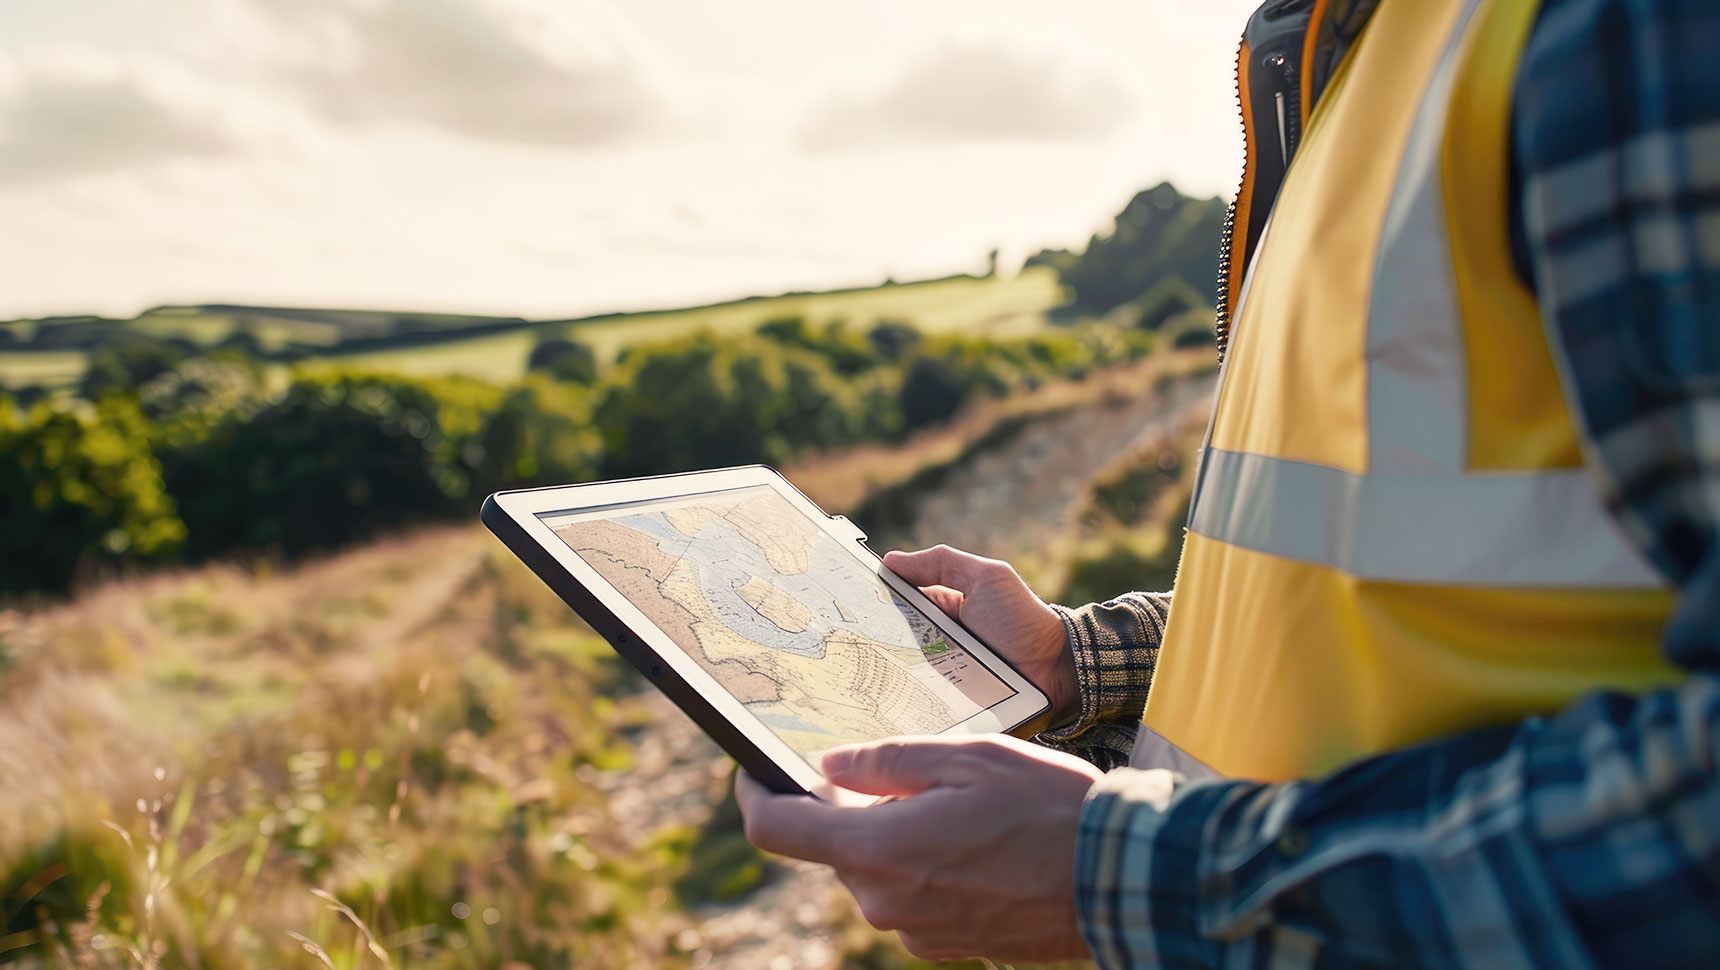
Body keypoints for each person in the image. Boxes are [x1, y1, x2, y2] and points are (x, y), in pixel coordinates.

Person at [736, 0, 1720, 965]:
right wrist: (1073, 662)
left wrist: (1126, 882)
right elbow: (1359, 589)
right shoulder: (1358, 54)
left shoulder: (1627, 32)